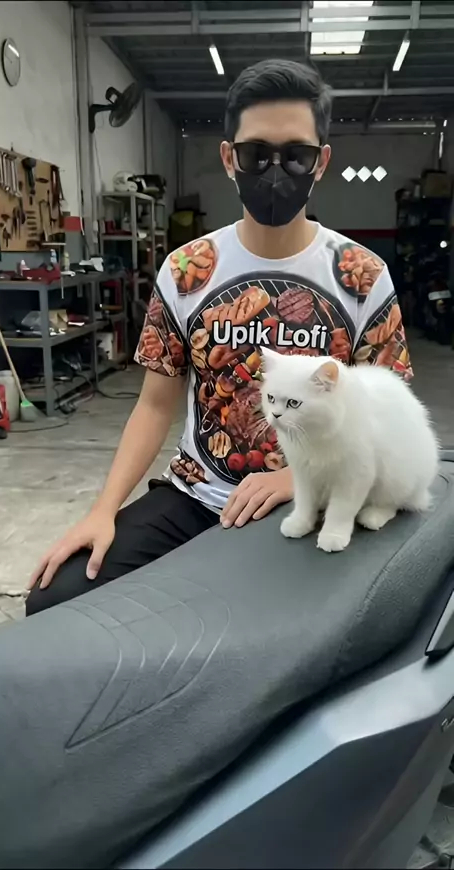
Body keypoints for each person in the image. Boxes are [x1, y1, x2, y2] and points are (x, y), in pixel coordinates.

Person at [26, 59, 411, 615]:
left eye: (296, 155)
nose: (275, 171)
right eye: (256, 154)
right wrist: (102, 510)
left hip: (313, 500)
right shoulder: (188, 268)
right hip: (196, 498)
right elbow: (154, 406)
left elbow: (388, 413)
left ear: (321, 162)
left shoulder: (362, 275)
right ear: (229, 158)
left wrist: (293, 478)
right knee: (57, 601)